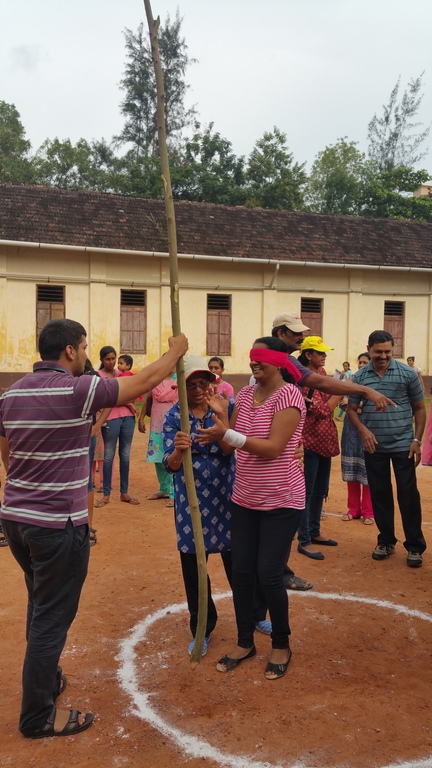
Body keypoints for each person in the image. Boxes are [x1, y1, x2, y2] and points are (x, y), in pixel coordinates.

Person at [0, 318, 188, 738]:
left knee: (40, 603)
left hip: (16, 519)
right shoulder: (78, 388)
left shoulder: (10, 393)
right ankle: (37, 715)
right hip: (56, 524)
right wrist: (175, 351)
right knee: (51, 617)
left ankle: (47, 680)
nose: (85, 354)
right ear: (70, 350)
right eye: (84, 347)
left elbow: (7, 456)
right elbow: (142, 382)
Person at [197, 337, 306, 680]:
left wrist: (228, 434)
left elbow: (273, 448)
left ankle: (281, 644)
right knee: (242, 573)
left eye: (262, 356)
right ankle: (245, 642)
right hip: (244, 498)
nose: (254, 362)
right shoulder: (244, 395)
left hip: (281, 500)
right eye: (252, 356)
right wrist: (221, 418)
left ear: (280, 361)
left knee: (269, 574)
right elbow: (229, 448)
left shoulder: (290, 397)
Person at [162, 355, 270, 657]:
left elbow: (229, 449)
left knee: (240, 559)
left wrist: (222, 418)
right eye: (191, 385)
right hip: (191, 499)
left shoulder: (226, 407)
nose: (198, 390)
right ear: (180, 388)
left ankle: (255, 614)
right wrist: (178, 451)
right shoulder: (173, 417)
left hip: (227, 492)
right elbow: (169, 465)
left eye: (203, 383)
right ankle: (202, 627)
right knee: (195, 564)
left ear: (212, 384)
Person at [347, 330, 426, 568]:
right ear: (368, 349)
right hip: (374, 446)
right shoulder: (360, 376)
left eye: (388, 352)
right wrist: (363, 430)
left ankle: (415, 546)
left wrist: (417, 440)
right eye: (378, 352)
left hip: (404, 445)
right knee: (380, 494)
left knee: (408, 495)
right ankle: (386, 541)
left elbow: (419, 408)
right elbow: (351, 410)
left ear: (393, 350)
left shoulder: (407, 373)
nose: (383, 356)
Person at [296, 336, 341, 560]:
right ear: (308, 355)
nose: (324, 356)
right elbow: (322, 410)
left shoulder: (321, 373)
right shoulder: (305, 380)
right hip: (310, 441)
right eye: (320, 352)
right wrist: (341, 393)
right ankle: (303, 539)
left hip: (324, 440)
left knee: (319, 489)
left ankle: (314, 531)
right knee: (306, 491)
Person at [96, 346, 139, 508]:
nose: (111, 362)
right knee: (108, 456)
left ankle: (124, 492)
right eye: (107, 359)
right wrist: (128, 403)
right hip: (110, 419)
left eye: (113, 358)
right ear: (101, 360)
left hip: (128, 418)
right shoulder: (98, 376)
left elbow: (131, 392)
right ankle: (106, 494)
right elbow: (105, 399)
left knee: (125, 455)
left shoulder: (122, 373)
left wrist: (125, 401)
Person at [340, 352, 374, 525]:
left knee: (368, 471)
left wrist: (355, 406)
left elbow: (375, 405)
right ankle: (353, 509)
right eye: (360, 362)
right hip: (350, 430)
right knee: (351, 469)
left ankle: (369, 512)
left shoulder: (375, 382)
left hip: (369, 429)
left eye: (365, 362)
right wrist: (357, 406)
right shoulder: (351, 381)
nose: (361, 365)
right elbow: (342, 403)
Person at [138, 369, 178, 506]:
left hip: (173, 424)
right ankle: (164, 488)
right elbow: (148, 399)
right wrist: (141, 417)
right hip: (156, 423)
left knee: (173, 457)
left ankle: (174, 493)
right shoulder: (156, 379)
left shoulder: (179, 380)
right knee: (158, 457)